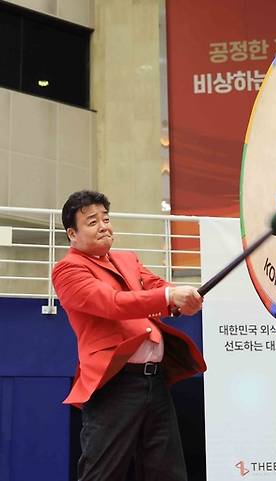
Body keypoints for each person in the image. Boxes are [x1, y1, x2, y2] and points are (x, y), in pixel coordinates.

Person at [52, 190, 206, 481]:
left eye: (106, 219)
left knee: (168, 472)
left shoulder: (127, 259)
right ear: (72, 233)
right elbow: (112, 303)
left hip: (155, 380)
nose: (104, 226)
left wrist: (180, 298)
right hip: (115, 383)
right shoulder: (68, 270)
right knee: (102, 473)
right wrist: (169, 295)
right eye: (92, 221)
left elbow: (156, 286)